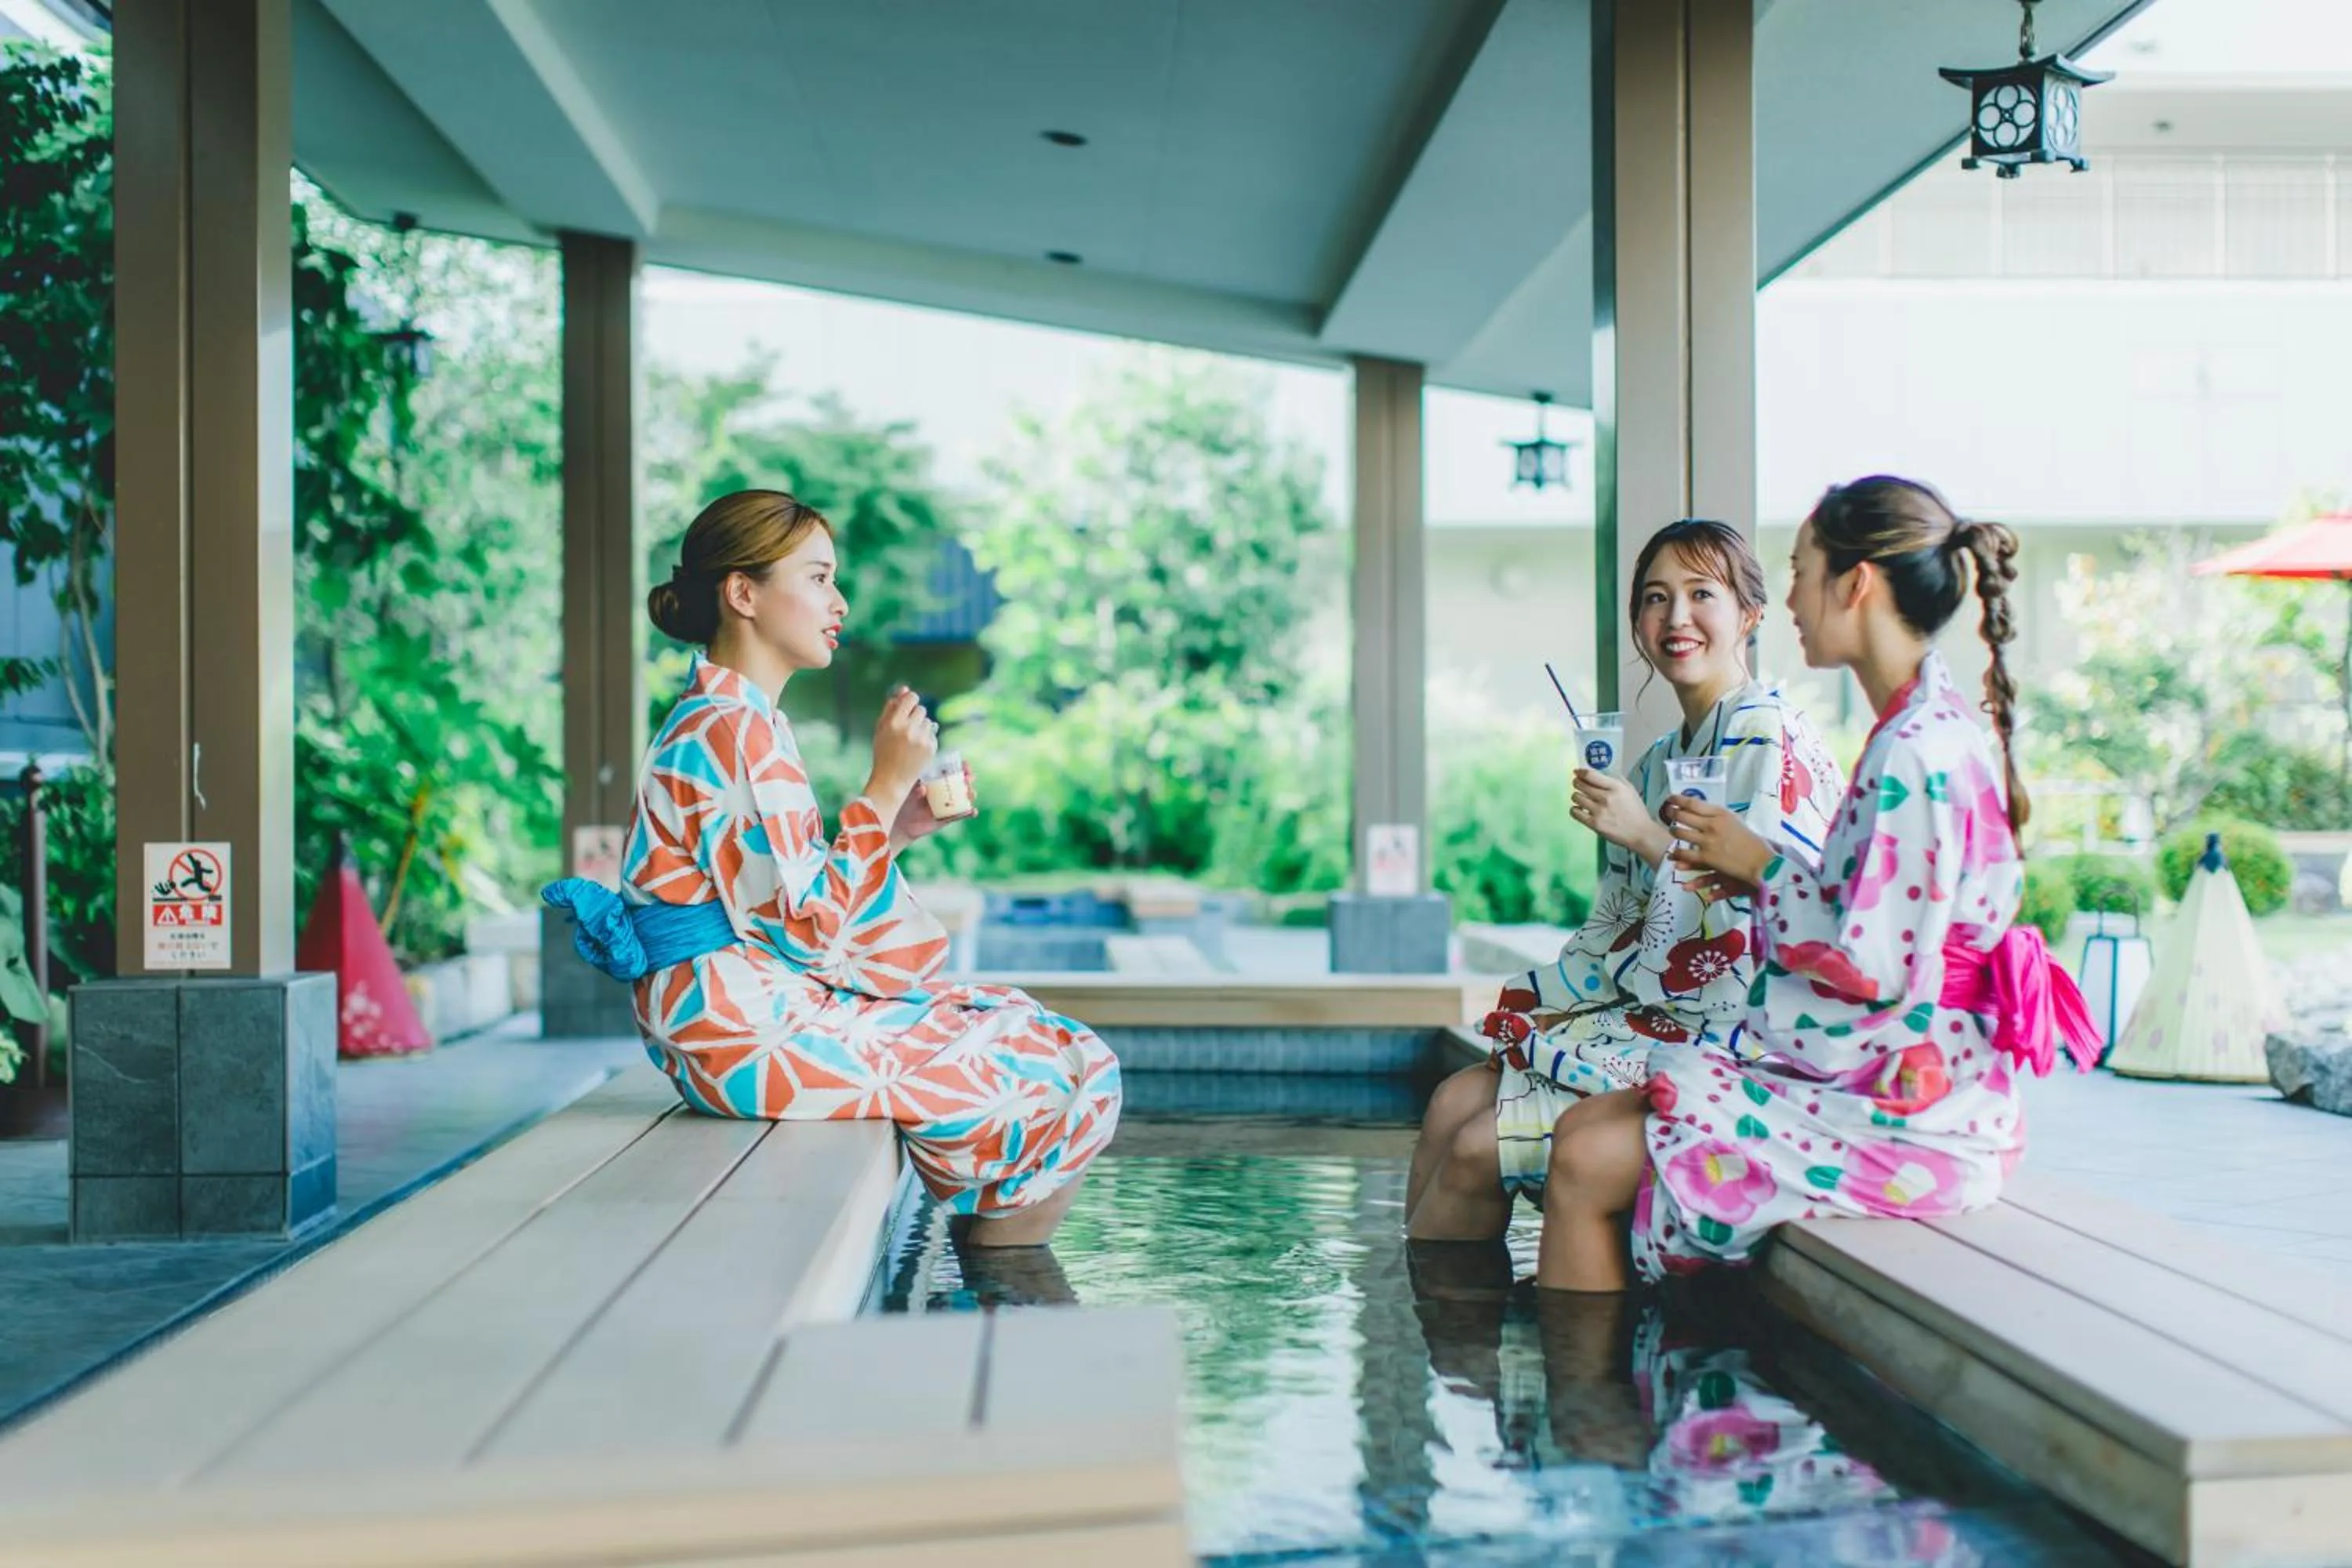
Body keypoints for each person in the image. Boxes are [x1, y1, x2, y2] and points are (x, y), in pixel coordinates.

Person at [1535, 476, 2097, 1291]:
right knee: (1589, 1132)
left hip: (1918, 1111)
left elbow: (1871, 969)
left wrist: (1758, 864)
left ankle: (1595, 1407)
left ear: (1855, 583)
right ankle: (1614, 1392)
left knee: (1586, 1156)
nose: (1789, 596)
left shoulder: (1913, 751)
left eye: (1801, 570)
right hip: (1902, 1075)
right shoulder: (1920, 732)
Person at [544, 489, 1120, 1247]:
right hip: (741, 1032)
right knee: (1052, 1061)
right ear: (743, 593)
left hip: (736, 1014)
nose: (838, 601)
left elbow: (784, 898)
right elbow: (808, 927)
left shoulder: (734, 720)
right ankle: (1003, 1285)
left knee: (1029, 1031)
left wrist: (898, 825)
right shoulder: (731, 731)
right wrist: (881, 787)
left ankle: (997, 1276)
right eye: (817, 578)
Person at [1406, 519, 1846, 1249]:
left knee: (1479, 1147)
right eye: (1655, 598)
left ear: (1750, 614)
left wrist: (1645, 836)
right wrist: (1559, 997)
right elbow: (1622, 920)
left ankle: (1457, 1349)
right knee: (1452, 1101)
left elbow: (1758, 925)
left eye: (1701, 593)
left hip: (1734, 1034)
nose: (1676, 618)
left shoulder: (1764, 737)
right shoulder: (1660, 759)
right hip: (1653, 1013)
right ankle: (1402, 1333)